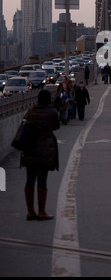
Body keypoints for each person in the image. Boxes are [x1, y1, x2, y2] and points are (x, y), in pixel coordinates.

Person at [22, 89, 60, 221]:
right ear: (49, 99)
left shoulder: (30, 111)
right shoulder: (52, 112)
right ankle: (41, 211)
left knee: (29, 181)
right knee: (42, 181)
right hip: (45, 151)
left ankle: (30, 212)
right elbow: (56, 127)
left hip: (30, 150)